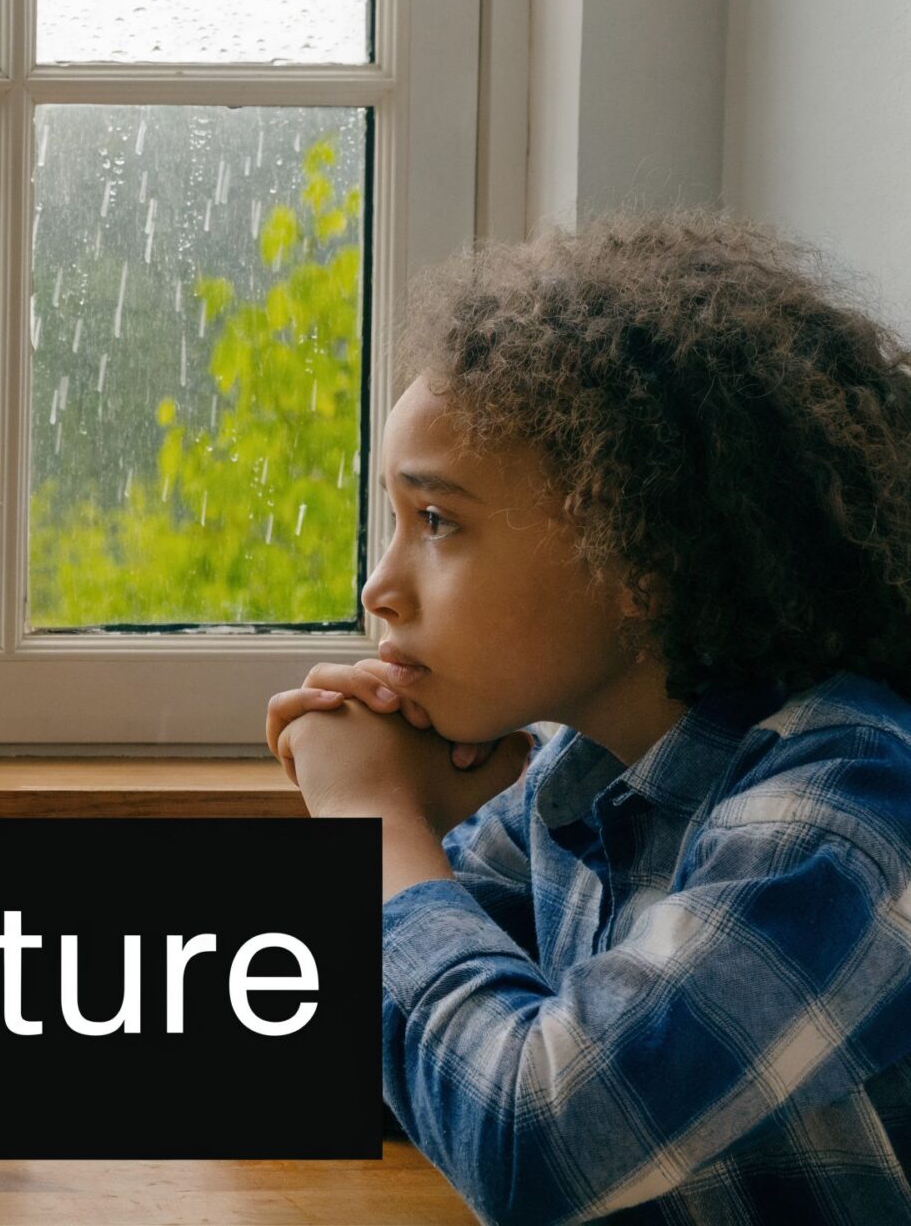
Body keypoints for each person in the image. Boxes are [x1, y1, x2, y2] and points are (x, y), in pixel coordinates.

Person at [266, 212, 911, 1223]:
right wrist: (408, 826)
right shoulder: (581, 778)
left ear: (640, 553)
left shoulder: (839, 820)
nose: (377, 587)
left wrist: (373, 818)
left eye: (436, 521)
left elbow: (535, 1145)